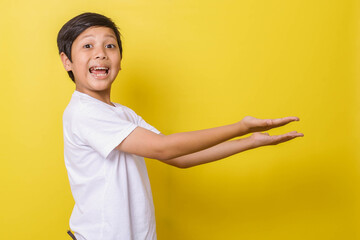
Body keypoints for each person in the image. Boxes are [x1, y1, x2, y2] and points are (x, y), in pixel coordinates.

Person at [58, 12, 304, 240]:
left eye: (110, 45)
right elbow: (165, 148)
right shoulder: (84, 112)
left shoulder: (121, 114)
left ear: (120, 61)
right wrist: (242, 127)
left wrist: (250, 142)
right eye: (87, 45)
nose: (101, 53)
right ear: (67, 61)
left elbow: (180, 157)